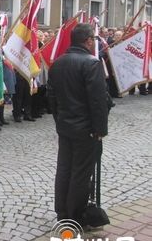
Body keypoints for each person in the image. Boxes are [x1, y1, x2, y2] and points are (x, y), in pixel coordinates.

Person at [47, 23, 109, 226]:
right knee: (80, 173)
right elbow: (98, 101)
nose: (94, 43)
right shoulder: (91, 63)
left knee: (64, 169)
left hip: (65, 126)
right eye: (94, 40)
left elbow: (52, 99)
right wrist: (100, 130)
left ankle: (62, 212)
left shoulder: (57, 63)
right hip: (86, 130)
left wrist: (60, 120)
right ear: (88, 41)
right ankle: (74, 215)